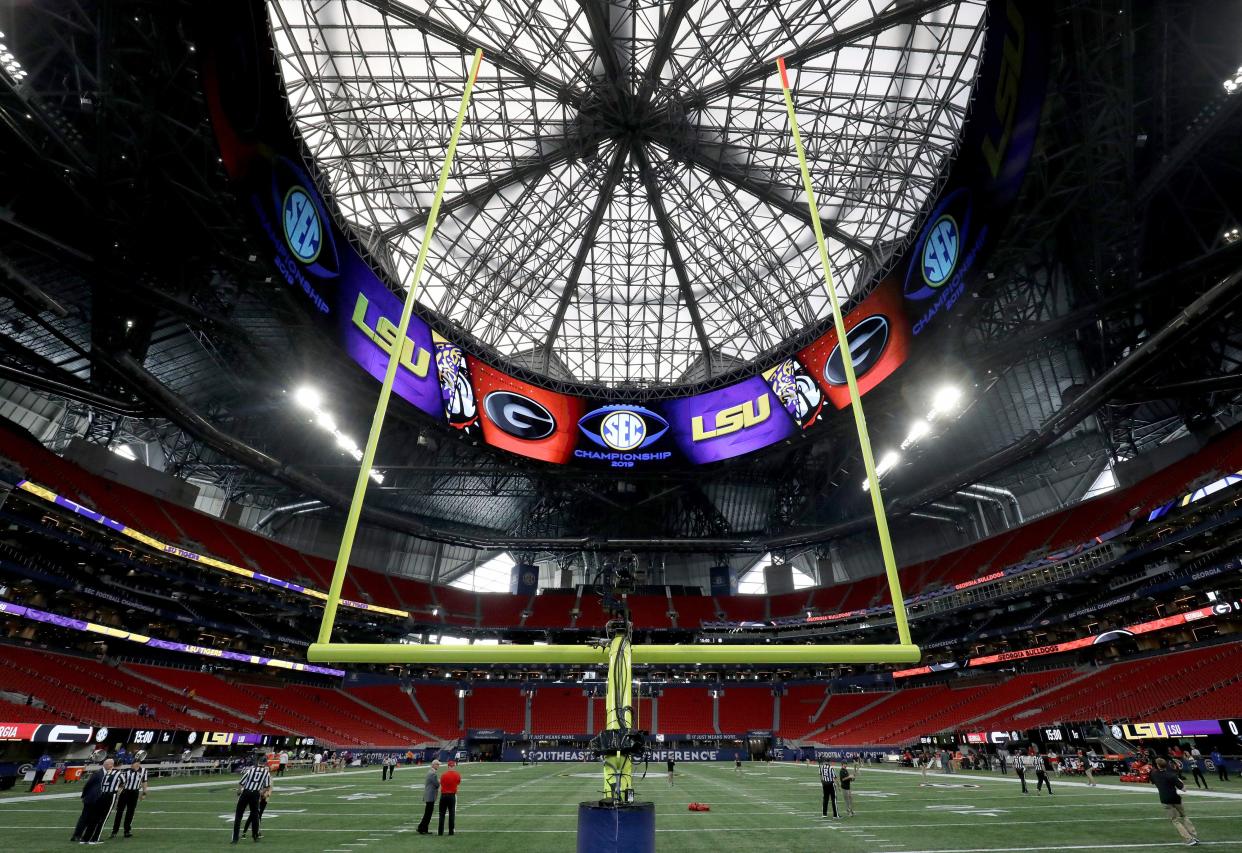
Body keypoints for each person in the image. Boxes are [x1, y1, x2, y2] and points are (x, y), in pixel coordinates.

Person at [1150, 758, 1199, 845]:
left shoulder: (1154, 774)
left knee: (1175, 820)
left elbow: (1153, 781)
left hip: (1165, 800)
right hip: (1176, 798)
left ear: (1158, 765)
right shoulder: (1171, 775)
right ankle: (1193, 836)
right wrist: (1180, 781)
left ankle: (1189, 839)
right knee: (1184, 816)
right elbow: (1184, 789)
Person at [232, 755, 272, 844]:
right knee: (255, 816)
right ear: (265, 763)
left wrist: (239, 792)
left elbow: (242, 782)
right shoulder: (266, 773)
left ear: (258, 762)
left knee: (238, 816)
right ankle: (255, 836)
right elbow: (267, 786)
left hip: (246, 793)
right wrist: (261, 792)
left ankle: (235, 839)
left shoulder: (251, 770)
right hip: (255, 794)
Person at [83, 759, 123, 844]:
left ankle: (85, 838)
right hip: (110, 796)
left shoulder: (104, 773)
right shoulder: (119, 774)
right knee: (103, 818)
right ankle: (95, 839)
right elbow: (122, 784)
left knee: (94, 817)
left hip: (100, 795)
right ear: (119, 765)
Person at [71, 760, 111, 843]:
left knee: (92, 819)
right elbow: (88, 785)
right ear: (106, 764)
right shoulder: (98, 773)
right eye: (111, 764)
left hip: (98, 800)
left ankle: (87, 836)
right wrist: (84, 795)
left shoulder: (106, 774)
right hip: (91, 799)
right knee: (84, 818)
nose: (112, 766)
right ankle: (76, 836)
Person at [110, 758, 148, 838]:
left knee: (131, 812)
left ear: (138, 763)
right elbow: (120, 783)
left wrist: (144, 793)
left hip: (134, 793)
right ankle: (114, 831)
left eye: (133, 763)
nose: (131, 764)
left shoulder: (143, 771)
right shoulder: (125, 770)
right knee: (119, 812)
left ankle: (127, 831)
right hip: (125, 792)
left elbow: (144, 781)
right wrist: (118, 793)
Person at [416, 760, 440, 834]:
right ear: (433, 765)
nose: (438, 766)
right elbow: (437, 784)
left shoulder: (431, 772)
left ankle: (424, 829)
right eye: (437, 764)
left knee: (428, 813)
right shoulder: (432, 774)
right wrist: (440, 781)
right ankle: (421, 828)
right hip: (430, 796)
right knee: (428, 813)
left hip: (429, 795)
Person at [438, 759, 461, 836]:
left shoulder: (443, 775)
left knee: (442, 814)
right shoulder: (457, 774)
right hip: (452, 796)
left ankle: (440, 832)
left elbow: (440, 783)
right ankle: (451, 832)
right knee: (452, 814)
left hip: (443, 795)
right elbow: (458, 782)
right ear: (454, 766)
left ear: (448, 766)